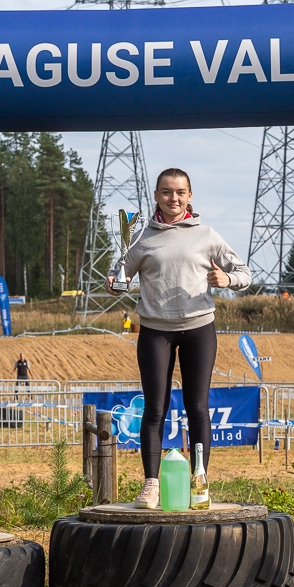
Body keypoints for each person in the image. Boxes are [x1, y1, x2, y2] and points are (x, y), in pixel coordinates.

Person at [108, 167, 251, 509]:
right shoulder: (140, 238)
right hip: (155, 330)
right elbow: (119, 279)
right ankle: (151, 485)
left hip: (199, 328)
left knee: (197, 407)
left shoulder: (206, 235)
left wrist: (226, 280)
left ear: (190, 196)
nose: (173, 198)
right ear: (156, 195)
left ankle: (199, 482)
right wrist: (115, 283)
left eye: (180, 192)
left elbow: (244, 274)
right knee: (154, 408)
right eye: (167, 192)